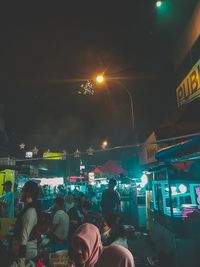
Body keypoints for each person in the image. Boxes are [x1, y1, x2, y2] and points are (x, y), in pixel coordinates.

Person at [12, 181, 40, 262]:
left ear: (28, 193)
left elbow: (24, 239)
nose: (20, 193)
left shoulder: (31, 211)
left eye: (22, 190)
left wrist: (21, 261)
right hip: (24, 253)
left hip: (27, 255)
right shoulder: (28, 208)